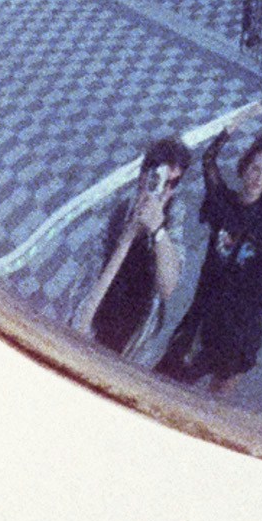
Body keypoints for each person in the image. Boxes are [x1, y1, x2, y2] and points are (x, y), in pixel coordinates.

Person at [159, 105, 262, 392]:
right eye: (255, 168)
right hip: (207, 314)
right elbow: (209, 159)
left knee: (218, 396)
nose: (259, 177)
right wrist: (238, 121)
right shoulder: (223, 203)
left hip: (242, 323)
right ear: (244, 167)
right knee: (167, 381)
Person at [78, 137, 188, 360]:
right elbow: (88, 292)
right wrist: (129, 233)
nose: (164, 190)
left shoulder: (174, 214)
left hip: (133, 338)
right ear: (144, 175)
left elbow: (167, 288)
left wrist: (158, 231)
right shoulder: (117, 210)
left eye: (173, 184)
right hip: (97, 319)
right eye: (158, 178)